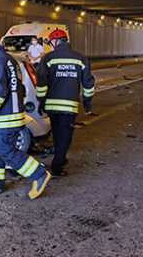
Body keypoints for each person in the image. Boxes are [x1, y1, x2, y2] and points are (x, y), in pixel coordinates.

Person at [0, 28, 51, 200]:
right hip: (6, 116)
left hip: (5, 119)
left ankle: (39, 175)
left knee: (6, 151)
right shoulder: (8, 59)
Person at [36, 28, 95, 177]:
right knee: (65, 135)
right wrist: (87, 103)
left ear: (55, 41)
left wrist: (41, 101)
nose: (50, 45)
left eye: (50, 43)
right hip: (69, 106)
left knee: (57, 133)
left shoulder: (48, 59)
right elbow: (88, 84)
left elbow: (41, 83)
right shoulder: (81, 59)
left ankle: (59, 158)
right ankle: (57, 166)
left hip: (51, 106)